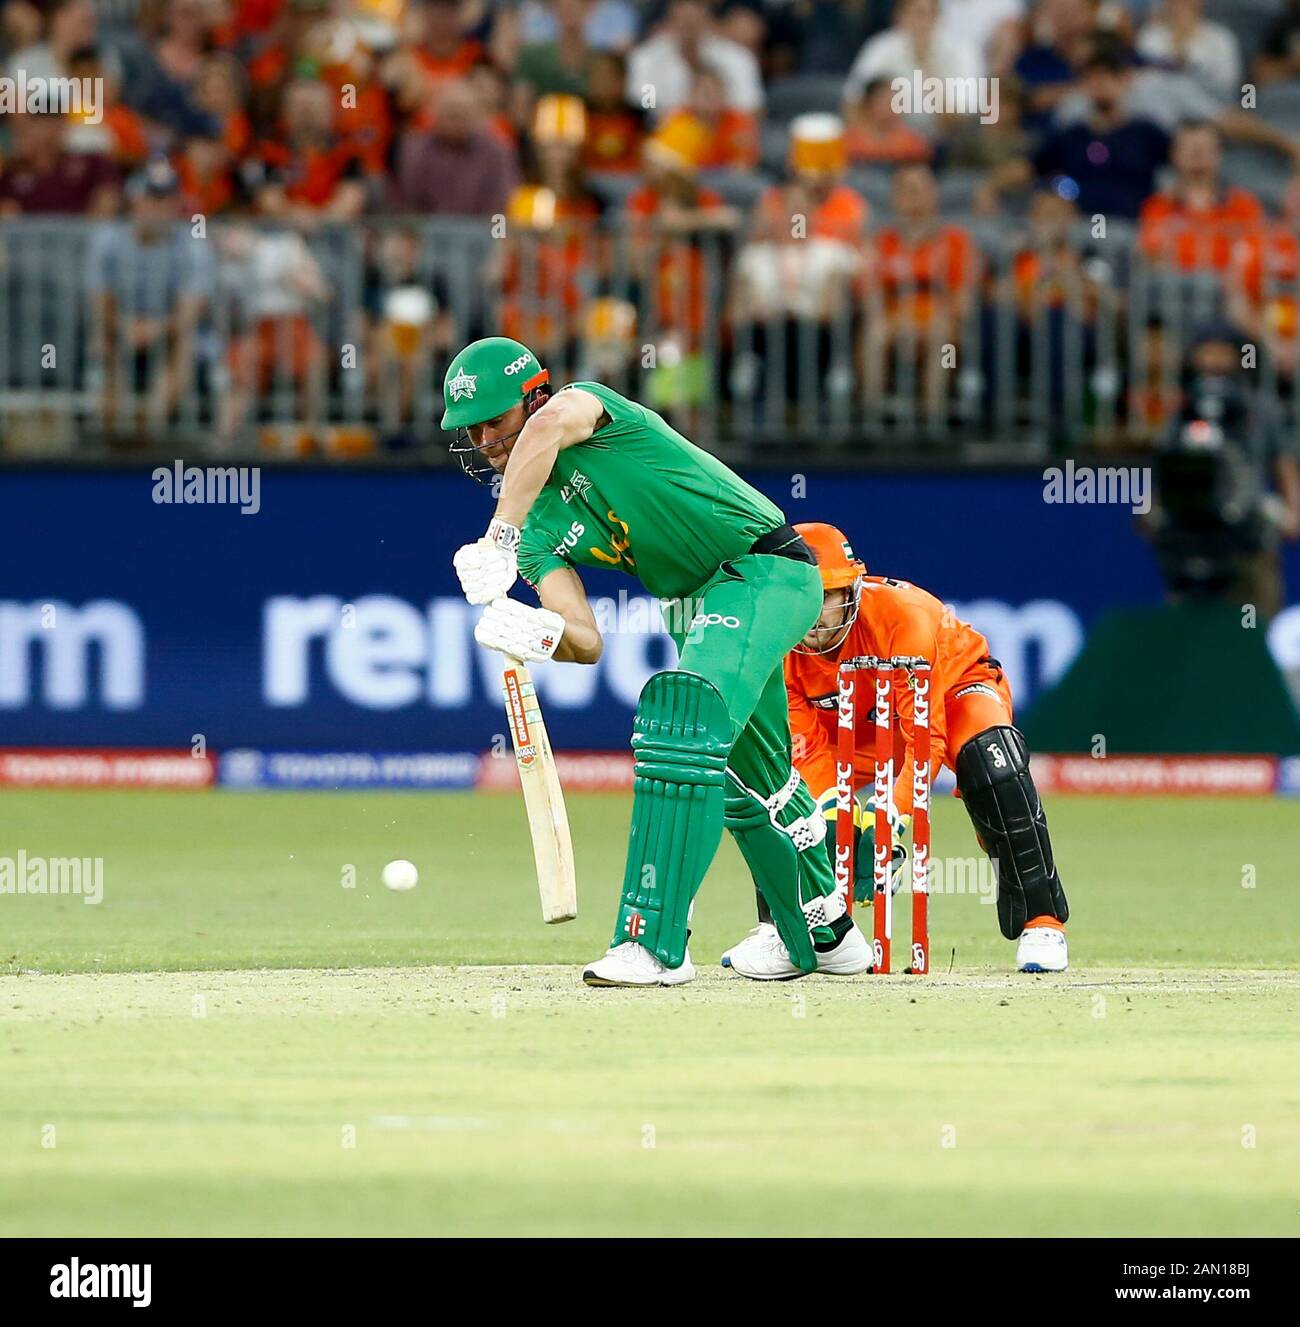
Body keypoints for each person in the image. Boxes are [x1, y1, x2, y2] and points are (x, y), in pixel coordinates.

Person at [443, 338, 872, 987]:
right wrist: (534, 631)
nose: (483, 439)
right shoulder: (534, 533)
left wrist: (495, 536)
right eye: (470, 429)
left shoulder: (585, 409)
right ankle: (826, 929)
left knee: (682, 725)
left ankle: (653, 942)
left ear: (534, 396)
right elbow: (586, 640)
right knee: (753, 777)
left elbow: (551, 427)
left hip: (762, 569)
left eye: (494, 420)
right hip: (693, 602)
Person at [721, 522, 1071, 977]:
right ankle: (780, 926)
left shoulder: (903, 615)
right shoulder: (777, 643)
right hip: (851, 720)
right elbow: (808, 755)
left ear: (852, 589)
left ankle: (1040, 922)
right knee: (770, 774)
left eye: (824, 598)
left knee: (992, 762)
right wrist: (833, 818)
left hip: (954, 692)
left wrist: (891, 815)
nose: (811, 615)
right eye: (800, 599)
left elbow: (923, 738)